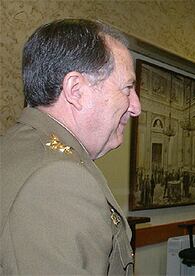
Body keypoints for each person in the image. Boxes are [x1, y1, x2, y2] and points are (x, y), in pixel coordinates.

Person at [0, 19, 140, 274]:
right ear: (76, 90)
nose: (135, 107)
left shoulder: (18, 147)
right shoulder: (58, 179)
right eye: (128, 88)